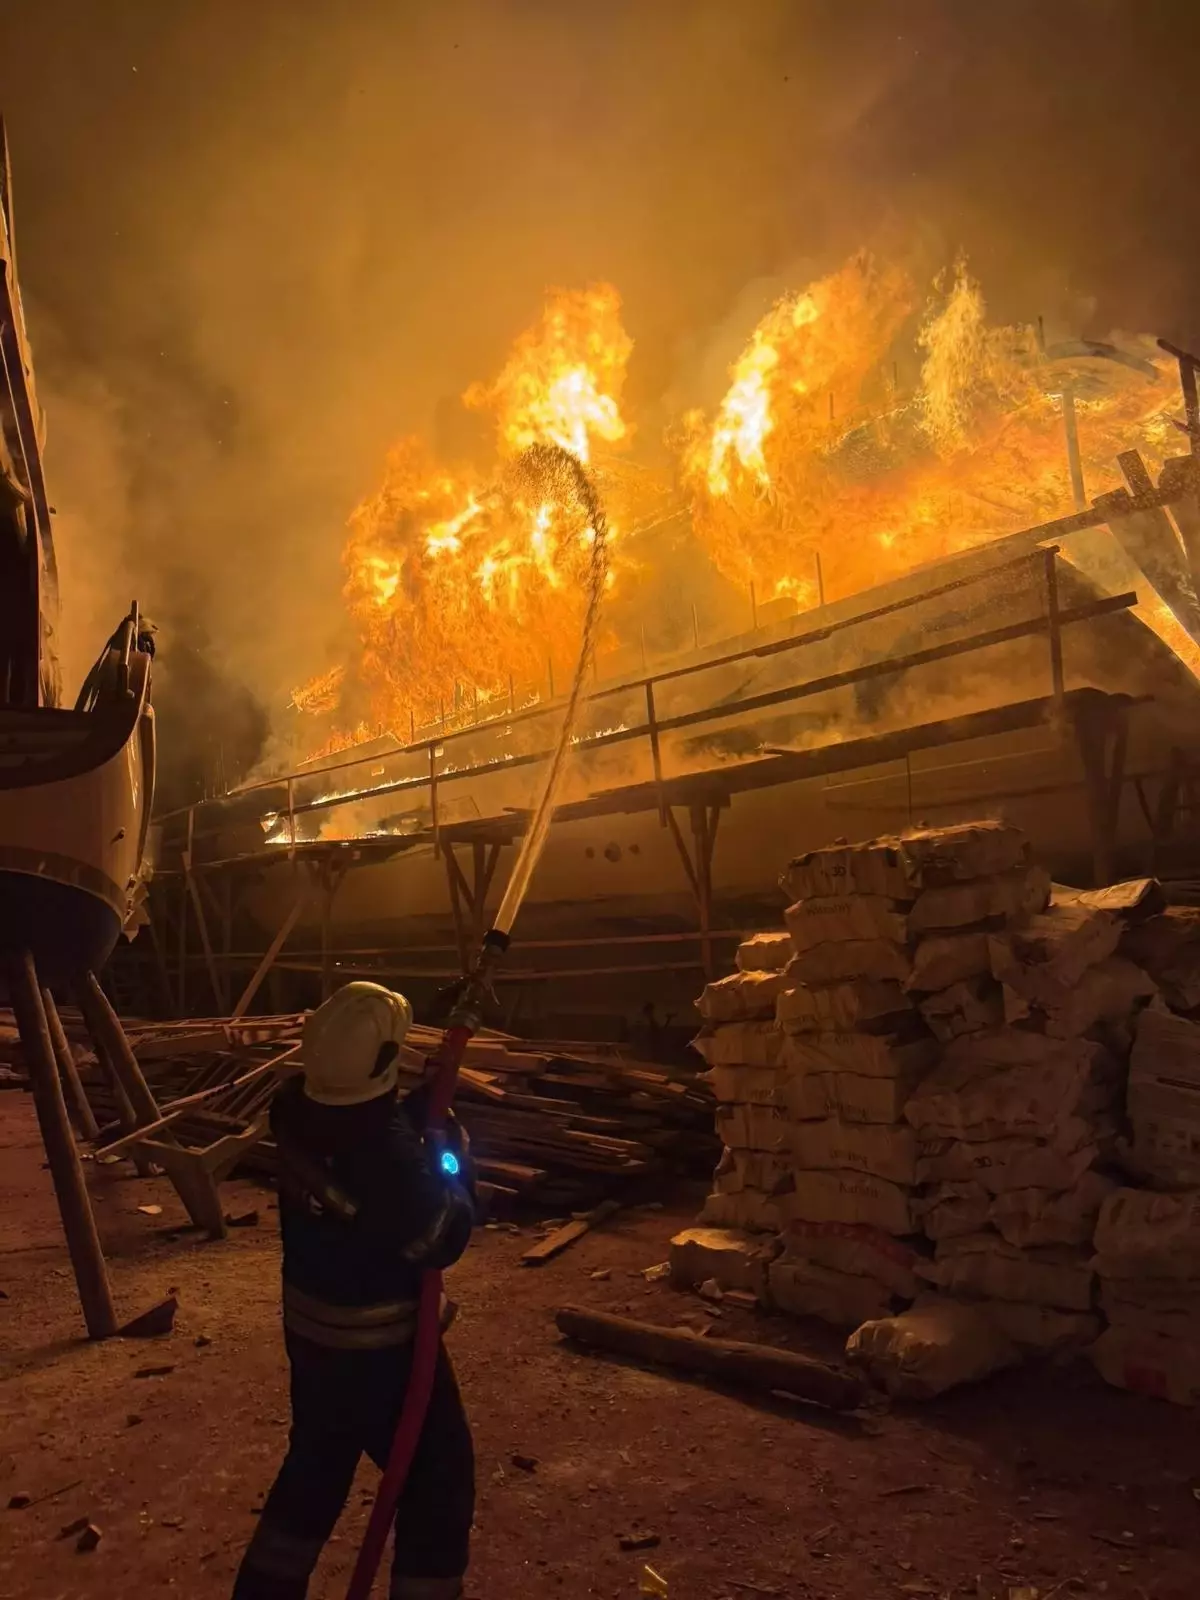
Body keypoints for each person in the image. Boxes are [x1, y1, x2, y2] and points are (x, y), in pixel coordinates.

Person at [232, 982, 476, 1600]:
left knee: (315, 1466)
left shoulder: (293, 1108)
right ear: (382, 1068)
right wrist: (456, 1164)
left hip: (313, 1342)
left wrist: (423, 1102)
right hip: (379, 1353)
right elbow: (441, 1236)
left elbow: (365, 1125)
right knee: (439, 1482)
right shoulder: (388, 1162)